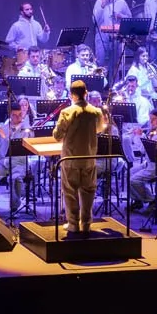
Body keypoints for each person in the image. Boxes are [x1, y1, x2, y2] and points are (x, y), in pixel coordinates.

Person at [53, 80, 106, 235]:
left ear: (72, 95)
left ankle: (73, 224)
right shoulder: (96, 112)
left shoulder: (67, 112)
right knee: (88, 192)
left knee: (70, 192)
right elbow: (99, 129)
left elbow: (57, 135)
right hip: (89, 159)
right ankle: (87, 224)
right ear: (86, 93)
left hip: (70, 160)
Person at [0, 105, 32, 217]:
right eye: (15, 115)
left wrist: (16, 132)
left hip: (19, 162)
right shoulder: (3, 128)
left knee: (15, 178)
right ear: (10, 115)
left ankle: (14, 207)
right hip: (2, 161)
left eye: (20, 115)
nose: (18, 117)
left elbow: (31, 144)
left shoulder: (27, 128)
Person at [92, 0, 131, 76]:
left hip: (116, 37)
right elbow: (94, 20)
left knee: (115, 64)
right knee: (101, 62)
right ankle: (100, 86)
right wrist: (102, 6)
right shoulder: (99, 2)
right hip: (101, 37)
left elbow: (130, 18)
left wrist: (120, 16)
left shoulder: (121, 3)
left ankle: (113, 87)